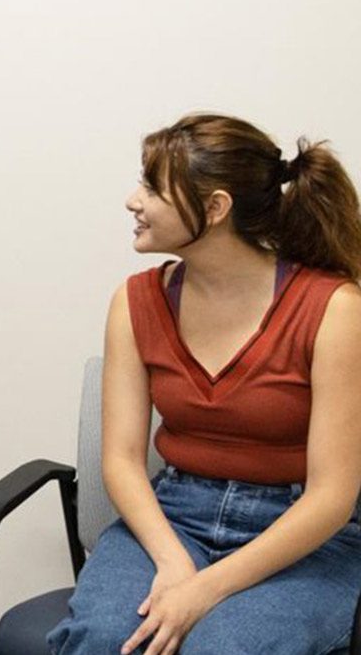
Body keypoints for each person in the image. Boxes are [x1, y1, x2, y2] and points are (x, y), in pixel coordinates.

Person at [49, 114, 361, 655]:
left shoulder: (335, 309)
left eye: (152, 187)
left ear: (215, 208)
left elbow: (332, 497)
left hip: (300, 535)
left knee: (220, 647)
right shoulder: (134, 301)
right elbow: (121, 460)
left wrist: (203, 589)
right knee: (102, 640)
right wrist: (172, 562)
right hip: (175, 516)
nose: (133, 201)